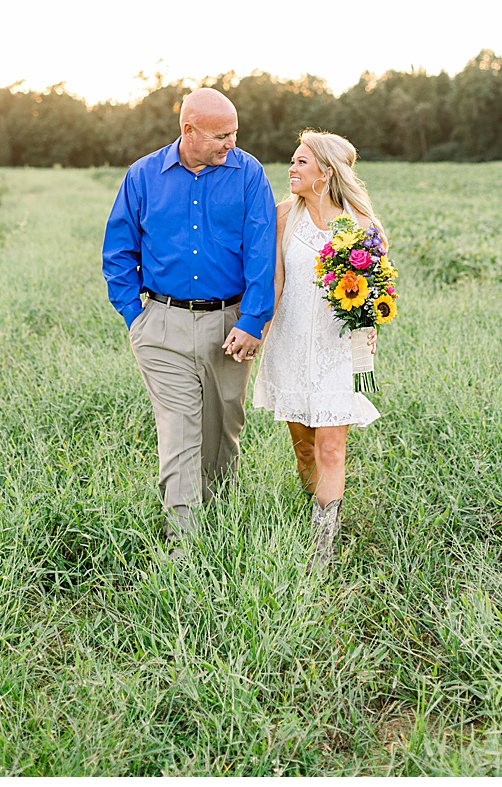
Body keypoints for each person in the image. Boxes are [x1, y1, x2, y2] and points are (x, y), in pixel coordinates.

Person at [101, 88, 277, 543]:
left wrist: (253, 320)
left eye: (234, 133)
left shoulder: (249, 174)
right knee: (180, 434)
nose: (230, 144)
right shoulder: (142, 177)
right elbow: (118, 252)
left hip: (230, 326)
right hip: (162, 324)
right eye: (221, 135)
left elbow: (262, 252)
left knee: (222, 437)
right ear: (188, 131)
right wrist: (133, 316)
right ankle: (185, 548)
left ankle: (220, 529)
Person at [250, 130, 383, 573]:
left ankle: (322, 547)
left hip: (337, 349)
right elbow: (276, 283)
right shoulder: (284, 215)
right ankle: (313, 506)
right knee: (304, 446)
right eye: (292, 161)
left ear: (325, 173)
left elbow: (377, 292)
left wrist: (369, 326)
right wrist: (257, 336)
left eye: (301, 162)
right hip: (289, 342)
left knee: (330, 447)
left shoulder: (362, 225)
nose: (291, 168)